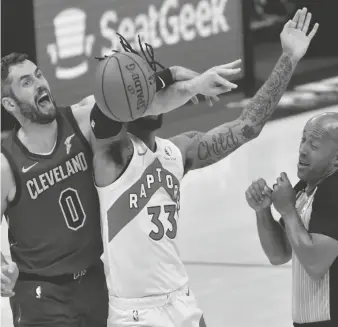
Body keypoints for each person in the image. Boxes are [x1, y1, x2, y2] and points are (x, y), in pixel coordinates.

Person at [90, 7, 318, 327]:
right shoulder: (113, 157)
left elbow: (247, 126)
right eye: (146, 93)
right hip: (135, 313)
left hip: (182, 303)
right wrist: (168, 77)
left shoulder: (176, 152)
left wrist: (289, 59)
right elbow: (104, 112)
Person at [0, 50, 231, 326]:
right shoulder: (6, 164)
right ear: (9, 104)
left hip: (95, 282)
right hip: (41, 294)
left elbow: (141, 103)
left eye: (39, 75)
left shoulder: (81, 121)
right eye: (26, 82)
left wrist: (193, 85)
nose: (39, 83)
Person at [246, 112, 338, 327]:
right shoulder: (304, 188)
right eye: (303, 140)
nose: (303, 150)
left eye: (314, 146)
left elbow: (316, 264)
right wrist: (263, 211)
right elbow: (279, 254)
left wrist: (287, 210)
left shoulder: (334, 191)